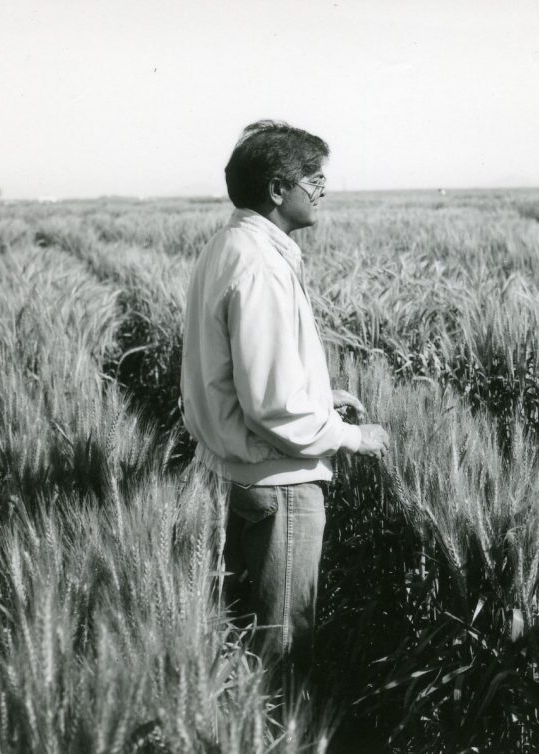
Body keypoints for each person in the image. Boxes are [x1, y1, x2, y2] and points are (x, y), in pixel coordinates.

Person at [179, 120, 390, 690]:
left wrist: (321, 396)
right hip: (283, 483)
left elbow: (238, 369)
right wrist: (351, 437)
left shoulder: (229, 245)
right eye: (313, 179)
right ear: (278, 189)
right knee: (284, 650)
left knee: (252, 630)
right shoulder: (262, 265)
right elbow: (272, 404)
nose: (322, 190)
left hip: (239, 472)